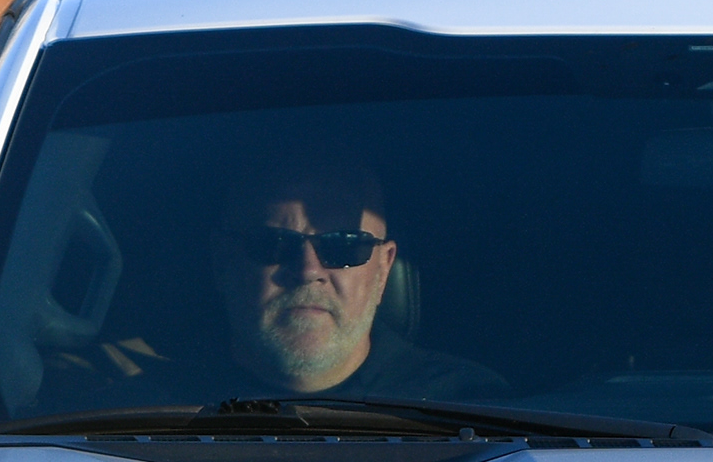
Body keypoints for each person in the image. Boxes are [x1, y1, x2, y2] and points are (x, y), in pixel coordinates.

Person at [215, 149, 503, 399]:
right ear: (224, 262)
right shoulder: (171, 409)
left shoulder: (472, 405)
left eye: (344, 246)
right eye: (275, 244)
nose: (308, 271)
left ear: (383, 269)